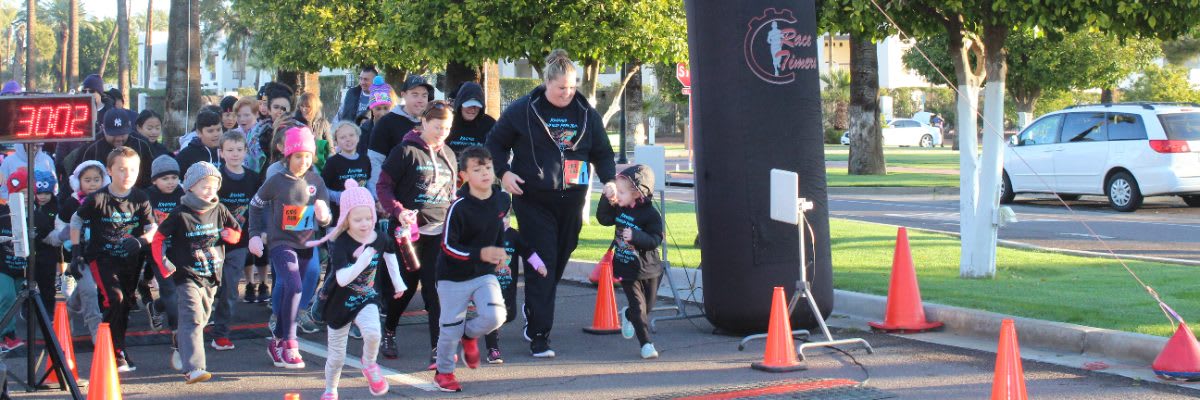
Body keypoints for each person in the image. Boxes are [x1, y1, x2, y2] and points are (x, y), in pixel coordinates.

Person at [485, 49, 617, 357]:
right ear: (547, 82)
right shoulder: (524, 109)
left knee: (558, 257)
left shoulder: (585, 112)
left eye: (572, 88)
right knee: (542, 262)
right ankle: (540, 334)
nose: (567, 93)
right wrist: (503, 173)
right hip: (533, 199)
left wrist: (608, 179)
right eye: (561, 88)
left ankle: (535, 311)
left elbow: (603, 152)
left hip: (572, 199)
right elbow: (495, 142)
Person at [306, 179, 404, 400]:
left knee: (372, 333)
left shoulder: (378, 236)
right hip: (339, 303)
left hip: (366, 297)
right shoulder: (340, 243)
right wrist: (365, 258)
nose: (365, 223)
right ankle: (331, 390)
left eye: (369, 217)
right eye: (358, 218)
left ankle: (369, 365)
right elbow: (341, 278)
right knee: (337, 356)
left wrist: (399, 283)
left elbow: (389, 254)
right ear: (346, 218)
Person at [376, 100, 456, 364]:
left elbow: (452, 193)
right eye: (437, 127)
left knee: (435, 291)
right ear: (423, 122)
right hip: (409, 234)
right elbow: (383, 186)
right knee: (407, 289)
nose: (442, 133)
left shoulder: (449, 154)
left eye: (447, 128)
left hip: (438, 232)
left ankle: (438, 350)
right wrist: (398, 211)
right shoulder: (405, 151)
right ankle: (389, 329)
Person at [248, 126, 332, 369]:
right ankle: (290, 341)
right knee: (294, 286)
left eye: (307, 156)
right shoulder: (276, 181)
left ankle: (277, 340)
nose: (303, 161)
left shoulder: (316, 180)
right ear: (287, 156)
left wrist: (323, 215)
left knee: (294, 290)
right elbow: (255, 205)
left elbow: (325, 216)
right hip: (280, 243)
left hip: (306, 243)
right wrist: (255, 235)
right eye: (298, 156)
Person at [151, 162, 241, 384]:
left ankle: (181, 343)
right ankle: (194, 368)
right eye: (204, 186)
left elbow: (237, 231)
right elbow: (158, 238)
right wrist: (164, 266)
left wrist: (231, 236)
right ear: (190, 187)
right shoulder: (180, 213)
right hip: (186, 274)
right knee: (192, 316)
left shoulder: (219, 209)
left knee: (201, 318)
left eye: (213, 186)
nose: (210, 191)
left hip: (211, 274)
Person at [71, 146, 157, 372]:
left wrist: (141, 241)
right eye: (121, 169)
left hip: (129, 259)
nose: (127, 174)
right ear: (109, 171)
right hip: (102, 258)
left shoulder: (140, 197)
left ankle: (118, 348)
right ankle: (108, 347)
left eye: (132, 169)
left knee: (125, 305)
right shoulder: (98, 198)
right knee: (114, 299)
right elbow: (76, 221)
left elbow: (152, 227)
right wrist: (76, 252)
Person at [432, 146, 509, 392]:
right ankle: (444, 373)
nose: (485, 173)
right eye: (477, 169)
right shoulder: (459, 206)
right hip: (452, 276)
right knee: (449, 329)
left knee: (496, 315)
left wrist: (499, 252)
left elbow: (497, 227)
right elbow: (447, 245)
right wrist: (480, 253)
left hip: (484, 273)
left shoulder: (501, 199)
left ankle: (469, 335)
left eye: (488, 167)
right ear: (463, 175)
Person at [597, 164, 664, 359]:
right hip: (627, 267)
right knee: (638, 307)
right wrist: (606, 197)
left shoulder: (651, 215)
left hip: (650, 268)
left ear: (638, 193)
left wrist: (635, 236)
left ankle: (628, 315)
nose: (618, 195)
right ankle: (646, 344)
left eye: (622, 192)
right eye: (617, 190)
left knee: (647, 307)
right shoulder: (618, 207)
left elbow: (655, 239)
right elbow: (603, 218)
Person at [210, 131, 259, 351]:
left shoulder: (252, 177)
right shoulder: (216, 178)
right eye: (230, 150)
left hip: (239, 243)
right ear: (221, 153)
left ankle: (221, 333)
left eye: (239, 150)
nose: (235, 154)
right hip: (214, 241)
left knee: (230, 288)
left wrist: (259, 233)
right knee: (210, 287)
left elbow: (259, 207)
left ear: (246, 152)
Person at [482, 213, 546, 364]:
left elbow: (527, 251)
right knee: (492, 315)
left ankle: (492, 329)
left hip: (508, 286)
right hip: (488, 286)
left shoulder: (513, 235)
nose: (504, 221)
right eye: (500, 217)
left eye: (507, 217)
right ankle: (493, 349)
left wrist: (539, 265)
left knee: (509, 315)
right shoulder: (485, 234)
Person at [60, 161, 108, 340]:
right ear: (77, 182)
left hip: (101, 253)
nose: (93, 184)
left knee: (84, 292)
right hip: (79, 254)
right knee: (88, 289)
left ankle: (67, 312)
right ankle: (95, 329)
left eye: (97, 179)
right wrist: (72, 249)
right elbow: (63, 224)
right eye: (87, 180)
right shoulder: (72, 202)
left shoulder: (106, 199)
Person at [64, 109, 166, 189]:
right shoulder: (91, 148)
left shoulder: (142, 144)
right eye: (113, 134)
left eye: (122, 134)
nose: (118, 138)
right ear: (103, 128)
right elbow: (75, 179)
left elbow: (155, 176)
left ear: (129, 127)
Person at [367, 75, 432, 197]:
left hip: (426, 200)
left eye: (424, 95)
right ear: (403, 95)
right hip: (394, 200)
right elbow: (375, 162)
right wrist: (380, 198)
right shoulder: (386, 122)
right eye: (415, 94)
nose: (420, 100)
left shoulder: (431, 122)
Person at [144, 155, 183, 339]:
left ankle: (157, 306)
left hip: (179, 249)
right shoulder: (148, 195)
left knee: (181, 291)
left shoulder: (182, 193)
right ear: (155, 180)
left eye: (174, 178)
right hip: (157, 250)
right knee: (170, 289)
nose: (170, 183)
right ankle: (177, 333)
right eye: (165, 179)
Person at [0, 169, 30, 351]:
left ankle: (9, 334)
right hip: (2, 265)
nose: (25, 197)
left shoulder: (36, 215)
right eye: (21, 193)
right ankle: (3, 334)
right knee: (6, 296)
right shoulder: (3, 211)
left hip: (21, 266)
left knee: (14, 301)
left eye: (29, 193)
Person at [322, 122, 371, 220]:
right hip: (339, 216)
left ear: (358, 137)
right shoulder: (332, 162)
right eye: (342, 137)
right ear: (336, 142)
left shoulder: (365, 160)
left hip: (361, 215)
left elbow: (368, 183)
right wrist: (340, 197)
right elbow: (323, 188)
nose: (348, 139)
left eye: (351, 135)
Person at [31, 170, 63, 314]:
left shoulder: (56, 207)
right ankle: (30, 306)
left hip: (48, 251)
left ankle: (49, 308)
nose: (43, 197)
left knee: (48, 283)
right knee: (30, 281)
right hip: (31, 250)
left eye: (47, 193)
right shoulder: (29, 206)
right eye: (39, 193)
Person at [247, 82, 295, 173]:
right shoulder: (257, 131)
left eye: (284, 107)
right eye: (276, 107)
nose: (280, 111)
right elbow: (251, 162)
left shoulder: (299, 130)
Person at [446, 82, 495, 156]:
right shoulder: (447, 120)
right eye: (468, 105)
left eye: (476, 106)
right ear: (460, 105)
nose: (472, 110)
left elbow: (498, 149)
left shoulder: (490, 124)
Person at [298, 92, 335, 172]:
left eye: (308, 106)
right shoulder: (295, 123)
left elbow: (330, 147)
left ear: (314, 107)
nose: (304, 109)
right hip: (300, 164)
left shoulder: (323, 123)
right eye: (302, 106)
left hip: (319, 166)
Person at [358, 77, 393, 158]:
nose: (382, 113)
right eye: (378, 109)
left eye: (385, 108)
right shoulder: (364, 130)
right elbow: (361, 156)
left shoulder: (395, 128)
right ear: (371, 109)